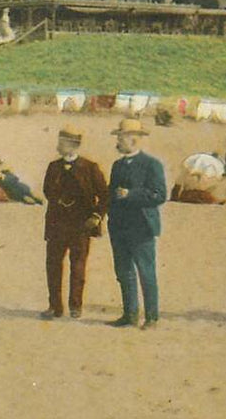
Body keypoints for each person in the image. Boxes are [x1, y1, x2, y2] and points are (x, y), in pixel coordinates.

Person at [41, 126, 109, 320]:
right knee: (53, 264)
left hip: (81, 226)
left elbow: (104, 196)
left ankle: (75, 307)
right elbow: (47, 190)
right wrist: (59, 200)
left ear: (73, 145)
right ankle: (55, 307)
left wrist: (96, 217)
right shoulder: (53, 167)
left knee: (78, 266)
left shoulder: (90, 167)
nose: (58, 145)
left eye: (62, 142)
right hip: (57, 224)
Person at [106, 118, 167, 329]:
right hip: (119, 227)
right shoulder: (117, 165)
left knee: (146, 272)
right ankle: (130, 314)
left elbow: (159, 195)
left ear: (134, 139)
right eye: (118, 137)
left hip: (141, 227)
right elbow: (110, 195)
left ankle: (152, 318)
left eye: (121, 137)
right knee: (123, 272)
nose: (118, 141)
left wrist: (131, 194)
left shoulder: (152, 164)